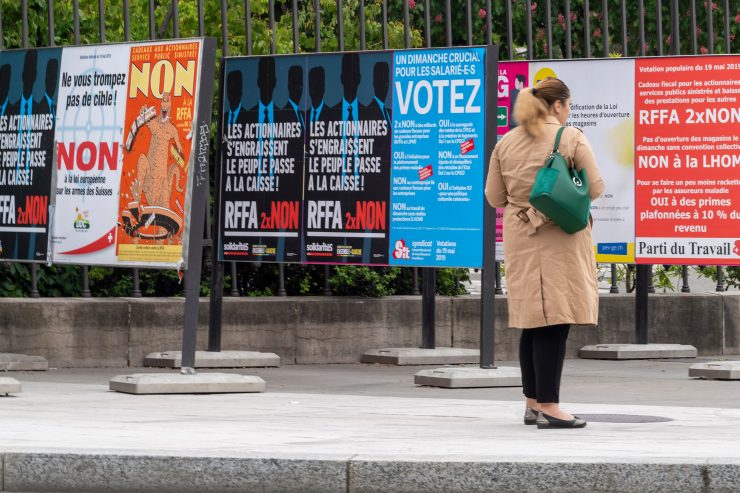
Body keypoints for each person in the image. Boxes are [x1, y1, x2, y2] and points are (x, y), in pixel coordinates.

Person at [484, 78, 605, 429]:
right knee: (555, 320)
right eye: (568, 105)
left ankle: (532, 402)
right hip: (559, 238)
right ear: (557, 106)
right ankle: (551, 407)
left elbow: (495, 197)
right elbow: (595, 187)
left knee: (532, 321)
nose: (569, 111)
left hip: (521, 237)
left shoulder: (505, 142)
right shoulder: (569, 137)